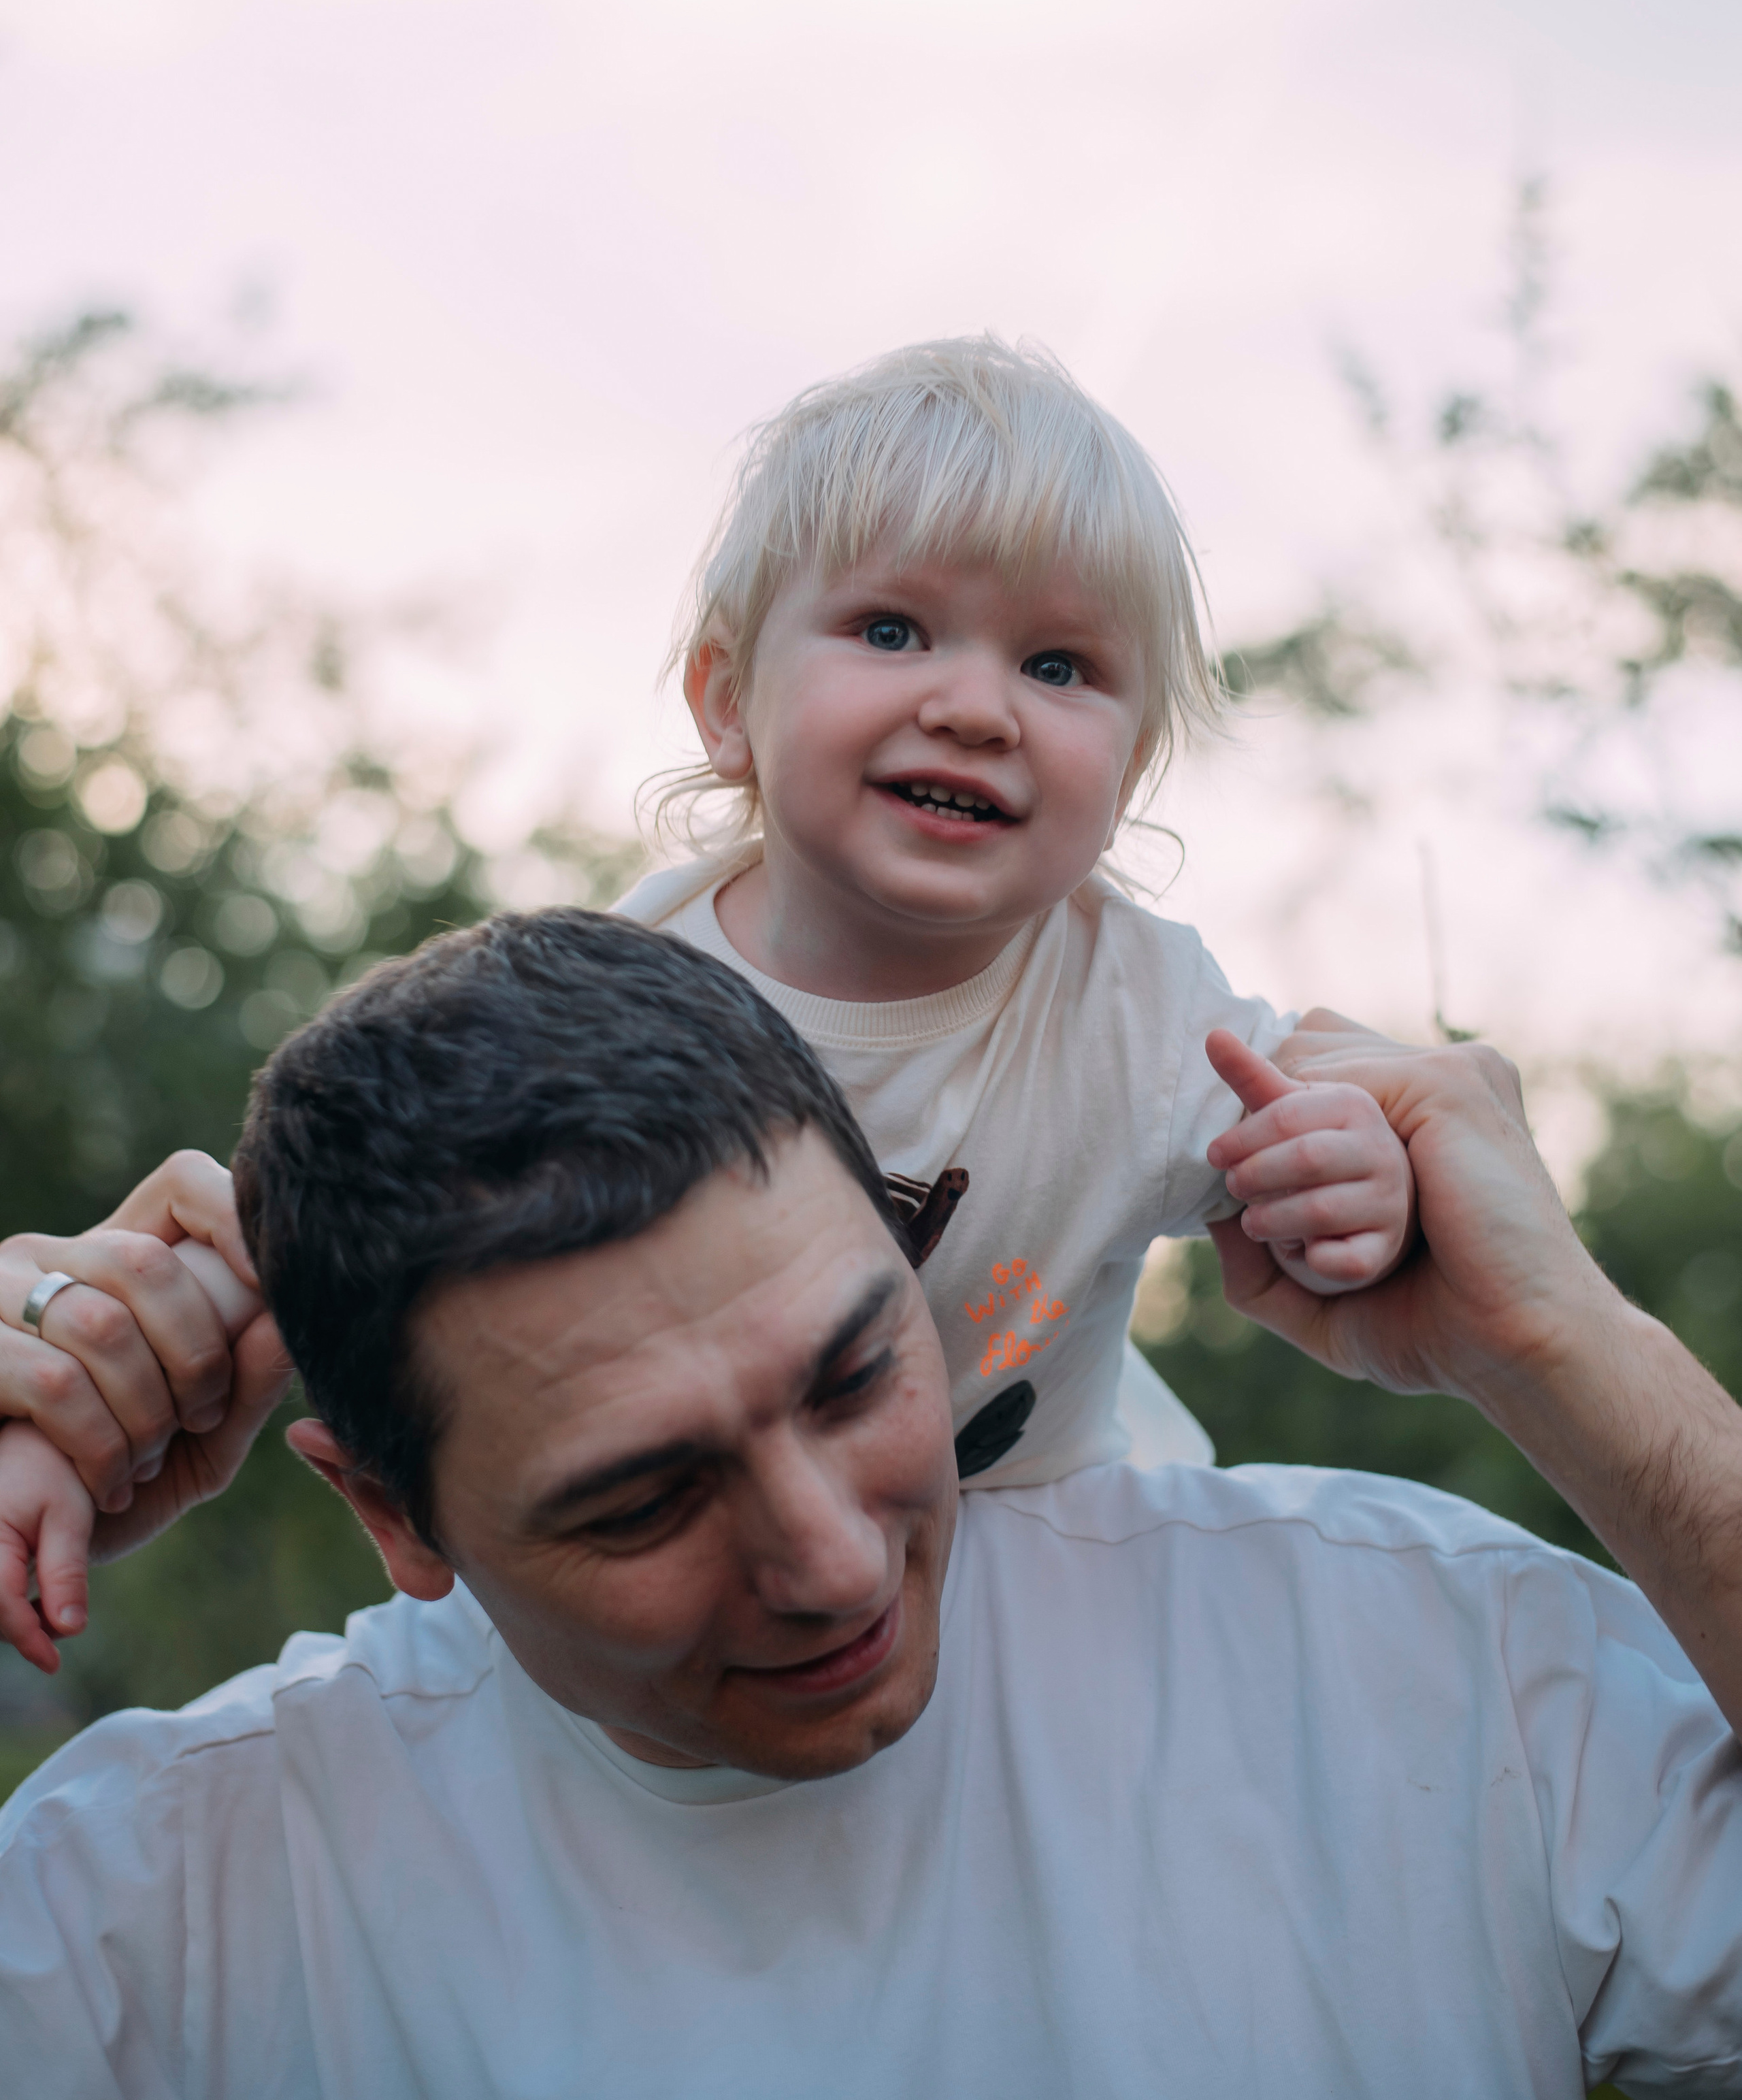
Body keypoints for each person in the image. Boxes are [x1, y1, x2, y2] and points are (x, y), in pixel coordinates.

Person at [3, 908, 1741, 2097]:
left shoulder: (1409, 1662)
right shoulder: (194, 1888)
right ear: (393, 1517)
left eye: (855, 1375)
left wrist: (1569, 1349)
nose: (834, 1563)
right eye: (639, 1501)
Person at [0, 334, 1419, 1662]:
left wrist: (1344, 1179)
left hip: (1041, 1548)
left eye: (1058, 667)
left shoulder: (1148, 1011)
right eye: (892, 630)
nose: (978, 705)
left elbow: (1314, 1144)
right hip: (718, 1575)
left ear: (1127, 769)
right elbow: (378, 1225)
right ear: (726, 701)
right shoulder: (617, 1002)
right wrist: (96, 1399)